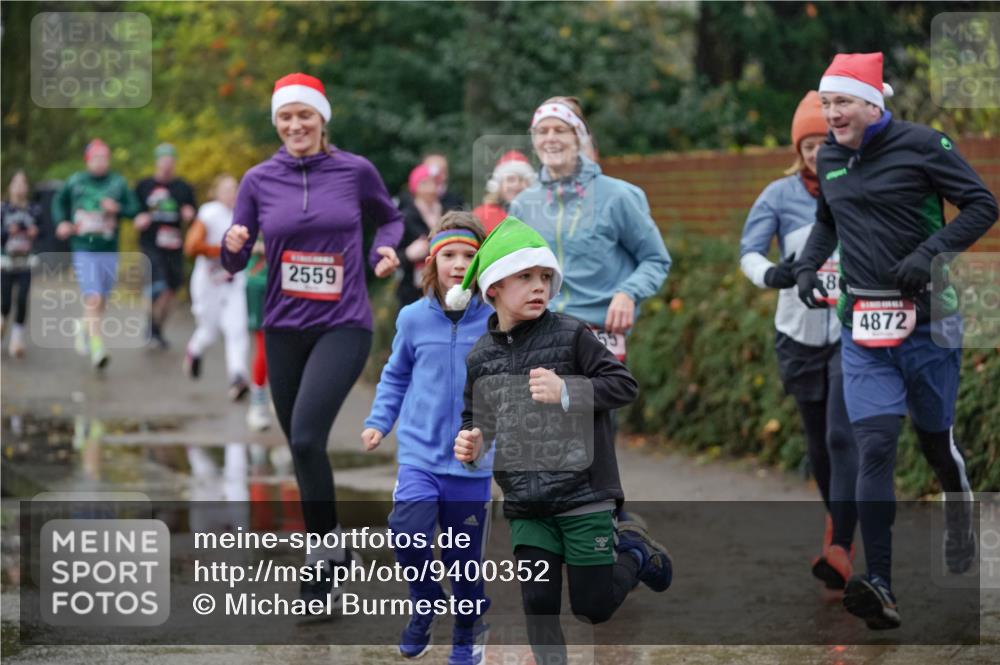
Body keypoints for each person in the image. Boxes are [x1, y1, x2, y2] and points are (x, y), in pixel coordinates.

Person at [793, 52, 998, 630]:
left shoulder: (924, 145)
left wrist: (929, 255)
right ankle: (879, 582)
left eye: (842, 102)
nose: (831, 114)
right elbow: (828, 222)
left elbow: (984, 205)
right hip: (861, 325)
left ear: (873, 103)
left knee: (936, 444)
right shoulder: (831, 155)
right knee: (875, 444)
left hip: (929, 323)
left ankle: (960, 511)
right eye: (826, 103)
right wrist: (810, 267)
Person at [451, 217, 672, 665]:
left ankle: (634, 551)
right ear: (493, 287)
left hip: (583, 494)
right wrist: (472, 442)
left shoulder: (571, 335)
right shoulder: (480, 356)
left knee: (592, 608)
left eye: (545, 277)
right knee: (538, 607)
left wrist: (568, 390)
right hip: (526, 504)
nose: (539, 286)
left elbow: (623, 385)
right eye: (525, 277)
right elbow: (477, 417)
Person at [221, 72, 403, 613]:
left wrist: (382, 253)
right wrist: (232, 245)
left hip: (343, 323)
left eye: (305, 115)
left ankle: (319, 566)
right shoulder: (257, 180)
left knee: (303, 438)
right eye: (285, 117)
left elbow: (388, 219)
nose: (295, 124)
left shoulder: (354, 171)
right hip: (281, 326)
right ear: (276, 123)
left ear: (322, 119)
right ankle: (332, 544)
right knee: (304, 447)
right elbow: (233, 259)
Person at [739, 91, 859, 592]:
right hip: (798, 333)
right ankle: (838, 525)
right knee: (819, 440)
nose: (815, 151)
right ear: (798, 146)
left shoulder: (857, 183)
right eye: (807, 144)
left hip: (853, 331)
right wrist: (775, 275)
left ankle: (842, 543)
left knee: (840, 433)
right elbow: (747, 251)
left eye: (823, 141)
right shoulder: (779, 194)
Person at [363, 211, 493, 665]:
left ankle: (467, 626)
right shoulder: (413, 318)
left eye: (470, 256)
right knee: (406, 532)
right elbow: (395, 375)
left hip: (472, 464)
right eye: (450, 255)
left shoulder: (498, 322)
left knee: (465, 563)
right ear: (432, 262)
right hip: (419, 455)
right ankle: (424, 603)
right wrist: (381, 421)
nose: (459, 264)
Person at [509, 96, 670, 363]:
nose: (550, 138)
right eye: (542, 131)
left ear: (579, 138)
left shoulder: (618, 196)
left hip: (598, 337)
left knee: (587, 406)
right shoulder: (523, 205)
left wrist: (628, 292)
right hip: (538, 336)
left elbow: (655, 259)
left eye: (560, 130)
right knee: (540, 405)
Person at [52, 139, 141, 370]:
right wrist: (61, 221)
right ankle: (97, 347)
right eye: (96, 158)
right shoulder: (75, 181)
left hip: (109, 249)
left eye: (105, 158)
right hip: (83, 247)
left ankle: (83, 326)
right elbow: (57, 202)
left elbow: (135, 209)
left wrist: (118, 209)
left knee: (101, 300)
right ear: (88, 160)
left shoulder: (118, 183)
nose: (101, 163)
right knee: (94, 298)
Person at [183, 174, 250, 401]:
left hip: (233, 281)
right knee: (209, 331)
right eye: (228, 189)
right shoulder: (209, 212)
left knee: (236, 328)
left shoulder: (245, 213)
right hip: (208, 281)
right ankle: (194, 351)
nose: (233, 193)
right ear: (217, 192)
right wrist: (222, 250)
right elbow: (191, 247)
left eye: (236, 188)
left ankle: (237, 377)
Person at [134, 143, 197, 349]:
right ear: (157, 162)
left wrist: (190, 214)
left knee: (171, 292)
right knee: (158, 286)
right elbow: (131, 209)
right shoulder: (144, 185)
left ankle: (156, 329)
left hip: (174, 246)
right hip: (151, 245)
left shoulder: (183, 187)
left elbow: (194, 215)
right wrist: (138, 217)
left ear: (174, 162)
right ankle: (151, 326)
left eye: (170, 159)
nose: (167, 164)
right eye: (163, 159)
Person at [1, 170, 43, 358]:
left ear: (27, 187)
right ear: (10, 186)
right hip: (6, 262)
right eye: (16, 183)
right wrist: (8, 232)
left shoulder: (34, 209)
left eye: (23, 183)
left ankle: (17, 340)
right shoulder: (3, 209)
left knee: (22, 299)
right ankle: (2, 322)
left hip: (26, 262)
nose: (19, 187)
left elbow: (45, 233)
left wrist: (35, 232)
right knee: (6, 300)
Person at [397, 164, 443, 308]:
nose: (431, 188)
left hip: (443, 290)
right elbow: (391, 257)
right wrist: (408, 254)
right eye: (425, 183)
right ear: (415, 187)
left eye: (434, 182)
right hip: (412, 291)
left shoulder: (449, 213)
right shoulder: (405, 217)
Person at [473, 150, 536, 234]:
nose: (516, 185)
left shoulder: (536, 214)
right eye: (510, 179)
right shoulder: (482, 215)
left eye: (521, 180)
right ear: (498, 185)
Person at [245, 240, 271, 432]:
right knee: (264, 349)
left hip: (291, 284)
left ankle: (282, 397)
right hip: (259, 284)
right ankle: (258, 403)